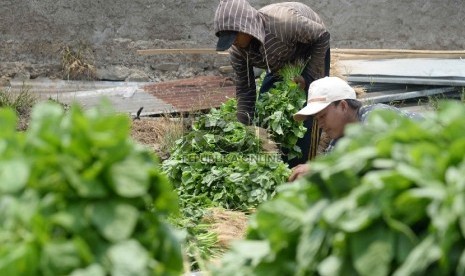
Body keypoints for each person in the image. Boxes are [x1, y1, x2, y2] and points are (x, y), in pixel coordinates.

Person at [213, 0, 331, 167]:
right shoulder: (238, 52)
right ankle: (280, 164)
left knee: (307, 114)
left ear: (246, 27)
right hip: (278, 58)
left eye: (234, 37)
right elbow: (246, 91)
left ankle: (303, 166)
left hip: (311, 49)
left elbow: (322, 36)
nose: (233, 43)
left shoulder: (285, 23)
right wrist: (242, 130)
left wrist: (307, 75)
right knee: (265, 111)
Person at [288, 76, 422, 181]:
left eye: (323, 116)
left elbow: (373, 158)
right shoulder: (338, 141)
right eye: (316, 119)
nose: (320, 124)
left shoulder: (376, 116)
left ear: (343, 106)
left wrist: (318, 169)